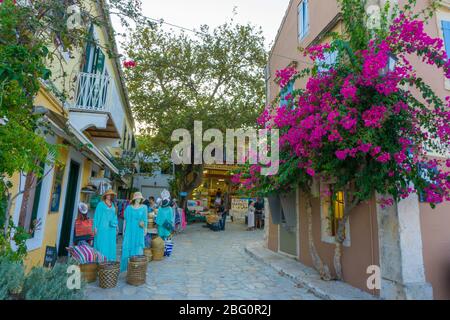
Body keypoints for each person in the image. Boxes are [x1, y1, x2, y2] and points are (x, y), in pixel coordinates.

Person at [120, 192, 148, 272]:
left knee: (138, 247)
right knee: (128, 246)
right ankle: (127, 266)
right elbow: (125, 220)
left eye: (140, 198)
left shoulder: (144, 207)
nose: (139, 199)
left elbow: (145, 219)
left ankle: (137, 267)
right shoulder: (129, 208)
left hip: (139, 230)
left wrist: (145, 228)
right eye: (137, 198)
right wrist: (123, 231)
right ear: (134, 199)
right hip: (130, 230)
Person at [93, 189, 118, 261]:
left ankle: (109, 262)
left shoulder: (113, 205)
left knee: (110, 245)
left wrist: (116, 226)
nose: (109, 196)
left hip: (111, 229)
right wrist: (95, 227)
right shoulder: (100, 204)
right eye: (108, 194)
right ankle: (101, 261)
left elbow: (115, 216)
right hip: (102, 228)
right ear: (105, 195)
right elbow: (96, 216)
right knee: (101, 244)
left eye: (111, 195)